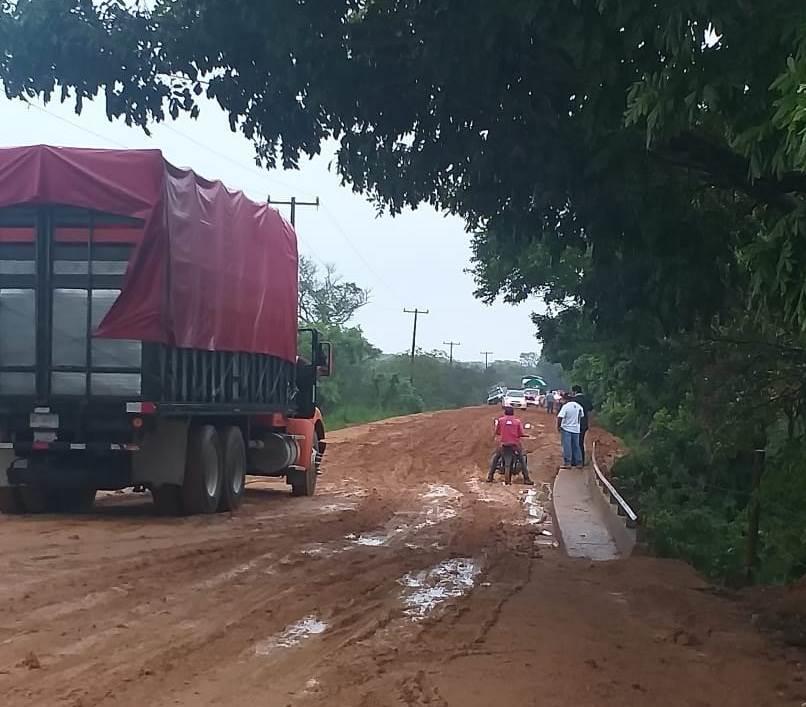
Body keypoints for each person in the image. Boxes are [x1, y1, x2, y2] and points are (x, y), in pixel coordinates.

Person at [488, 406, 534, 485]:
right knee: (522, 460)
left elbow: (497, 432)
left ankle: (490, 476)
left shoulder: (500, 420)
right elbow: (521, 433)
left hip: (503, 444)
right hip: (514, 445)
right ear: (513, 413)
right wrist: (524, 435)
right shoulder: (517, 422)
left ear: (505, 413)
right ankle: (526, 479)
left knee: (496, 458)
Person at [557, 393, 584, 468]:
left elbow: (560, 417)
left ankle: (568, 463)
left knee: (567, 446)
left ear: (566, 399)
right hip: (576, 429)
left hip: (566, 429)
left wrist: (558, 426)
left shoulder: (566, 407)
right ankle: (579, 462)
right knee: (576, 446)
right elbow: (582, 416)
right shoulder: (579, 406)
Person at [572, 385, 593, 465]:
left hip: (574, 424)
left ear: (574, 392)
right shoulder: (586, 399)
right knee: (580, 442)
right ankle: (581, 460)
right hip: (584, 424)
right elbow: (591, 410)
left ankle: (574, 461)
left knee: (574, 442)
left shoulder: (573, 400)